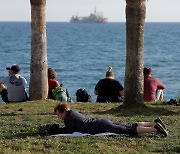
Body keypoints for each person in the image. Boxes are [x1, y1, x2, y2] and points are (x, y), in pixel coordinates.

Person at [54, 103, 168, 137]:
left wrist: (56, 130)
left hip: (101, 126)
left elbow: (69, 131)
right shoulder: (72, 113)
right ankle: (155, 123)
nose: (58, 117)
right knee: (128, 125)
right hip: (101, 122)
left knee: (127, 130)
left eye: (58, 114)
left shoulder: (69, 117)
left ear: (63, 111)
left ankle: (155, 129)